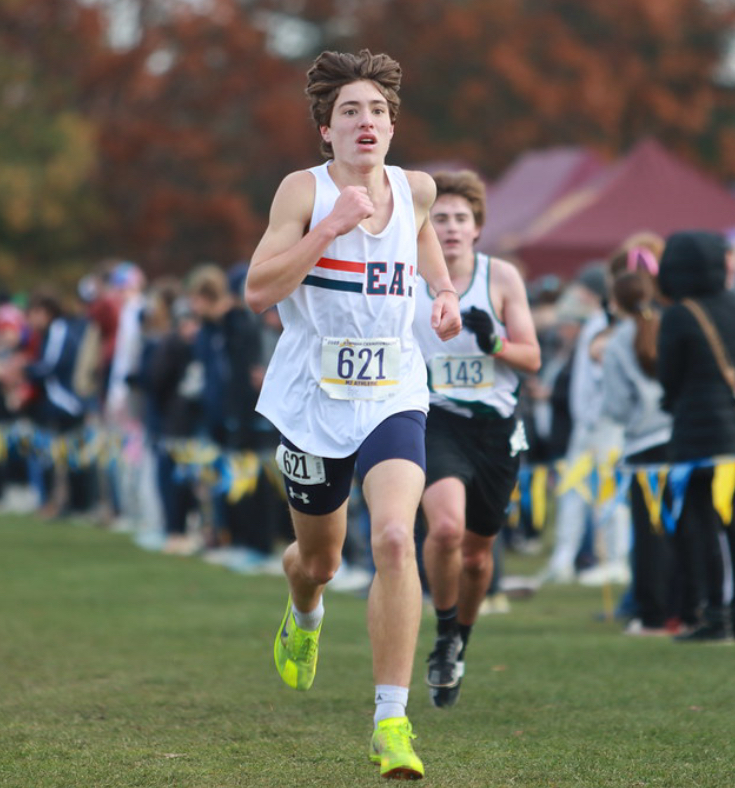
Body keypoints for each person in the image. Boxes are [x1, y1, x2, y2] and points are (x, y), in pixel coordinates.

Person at [245, 49, 461, 780]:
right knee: (321, 561)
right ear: (325, 132)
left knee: (398, 538)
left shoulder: (418, 189)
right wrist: (329, 228)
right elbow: (256, 291)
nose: (364, 122)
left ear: (391, 128)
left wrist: (442, 290)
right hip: (312, 402)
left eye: (376, 111)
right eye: (348, 112)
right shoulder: (301, 194)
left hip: (392, 392)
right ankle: (302, 610)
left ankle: (390, 722)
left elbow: (424, 234)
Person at [412, 170, 540, 708]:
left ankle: (460, 640)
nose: (451, 227)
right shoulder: (408, 276)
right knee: (445, 529)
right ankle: (443, 634)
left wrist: (494, 341)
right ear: (424, 226)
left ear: (478, 228)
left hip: (495, 428)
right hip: (435, 416)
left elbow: (532, 358)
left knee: (477, 557)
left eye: (461, 218)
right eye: (439, 218)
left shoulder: (502, 276)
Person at [656, 230, 735, 641]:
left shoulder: (679, 314)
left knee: (702, 531)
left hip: (699, 440)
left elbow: (669, 378)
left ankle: (715, 615)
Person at [601, 250, 676, 635]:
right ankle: (687, 609)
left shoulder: (616, 344)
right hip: (679, 442)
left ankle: (652, 614)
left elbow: (615, 406)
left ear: (615, 302)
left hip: (641, 445)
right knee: (685, 531)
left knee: (648, 537)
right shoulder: (671, 325)